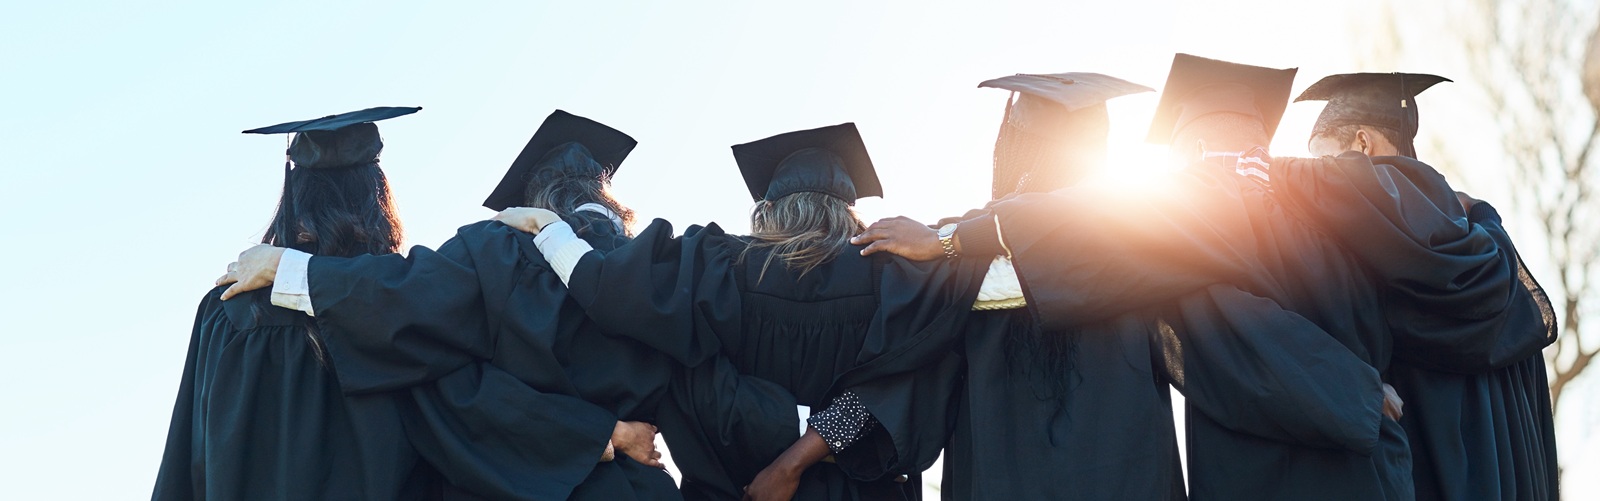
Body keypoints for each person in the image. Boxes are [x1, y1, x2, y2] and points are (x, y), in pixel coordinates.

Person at [854, 54, 1432, 500]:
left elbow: (902, 374)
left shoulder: (950, 262)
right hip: (1130, 479)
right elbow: (1242, 330)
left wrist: (802, 449)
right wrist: (1353, 388)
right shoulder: (1142, 249)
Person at [497, 122, 991, 501]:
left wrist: (551, 229)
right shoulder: (898, 279)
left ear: (768, 209)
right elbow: (903, 390)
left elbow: (611, 293)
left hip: (738, 488)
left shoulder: (719, 263)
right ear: (847, 209)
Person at [215, 110, 680, 500]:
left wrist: (288, 268)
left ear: (532, 203)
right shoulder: (673, 269)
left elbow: (415, 302)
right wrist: (612, 433)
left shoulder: (503, 250)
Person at [153, 106, 449, 500]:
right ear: (377, 195)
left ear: (294, 196)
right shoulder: (407, 304)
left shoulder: (229, 307)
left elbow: (190, 451)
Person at [1296, 72, 1559, 501]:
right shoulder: (1487, 239)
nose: (1320, 175)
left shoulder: (1365, 241)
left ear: (1362, 144)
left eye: (1325, 158)